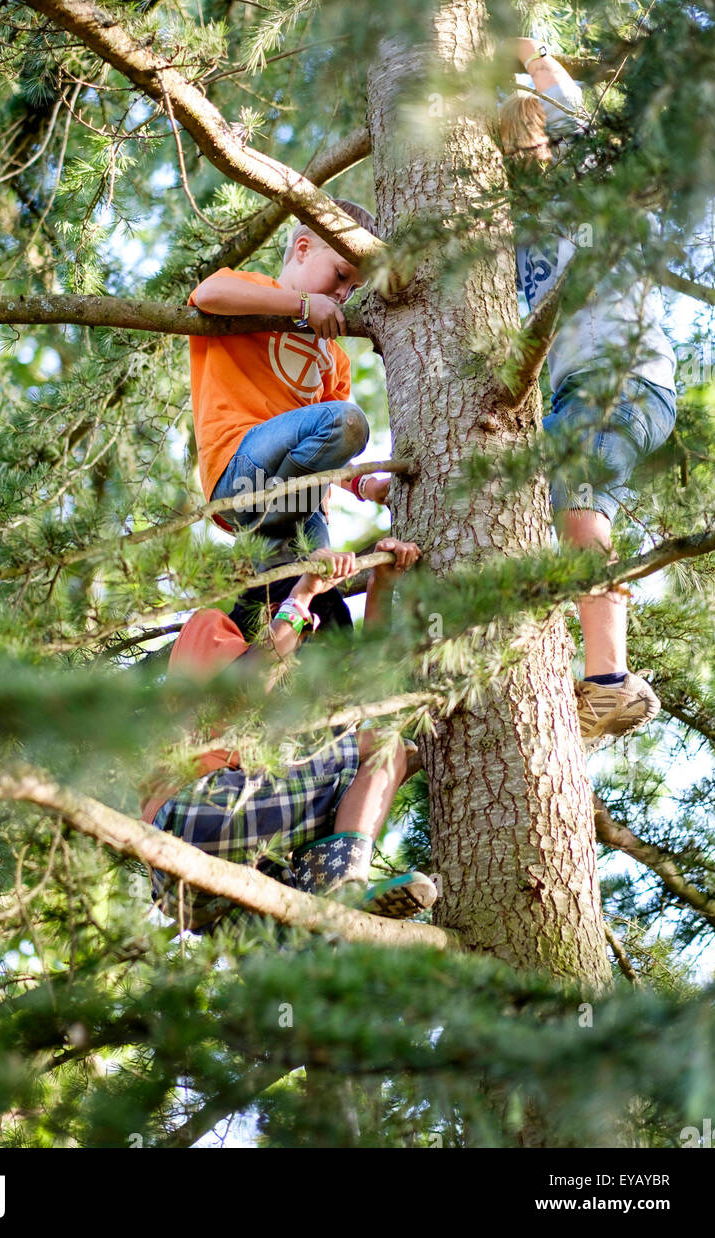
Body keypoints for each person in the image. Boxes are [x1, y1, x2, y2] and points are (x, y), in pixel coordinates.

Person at [499, 38, 677, 742]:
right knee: (543, 504)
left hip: (623, 378)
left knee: (577, 499)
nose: (527, 156)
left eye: (532, 138)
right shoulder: (511, 235)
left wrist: (529, 50)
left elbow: (565, 102)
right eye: (511, 149)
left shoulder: (590, 183)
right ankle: (574, 669)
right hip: (572, 393)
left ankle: (608, 681)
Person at [140, 537, 437, 933]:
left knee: (315, 946)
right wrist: (303, 596)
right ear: (270, 612)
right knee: (385, 746)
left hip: (216, 887)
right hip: (190, 819)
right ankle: (344, 887)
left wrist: (380, 586)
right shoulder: (212, 627)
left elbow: (368, 691)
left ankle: (334, 913)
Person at [187, 198, 391, 555]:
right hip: (239, 470)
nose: (343, 294)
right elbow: (208, 295)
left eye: (354, 289)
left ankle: (270, 537)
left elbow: (330, 449)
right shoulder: (249, 291)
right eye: (341, 275)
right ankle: (271, 521)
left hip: (297, 508)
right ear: (302, 249)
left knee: (315, 589)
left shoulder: (335, 359)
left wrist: (364, 484)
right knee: (348, 421)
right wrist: (303, 306)